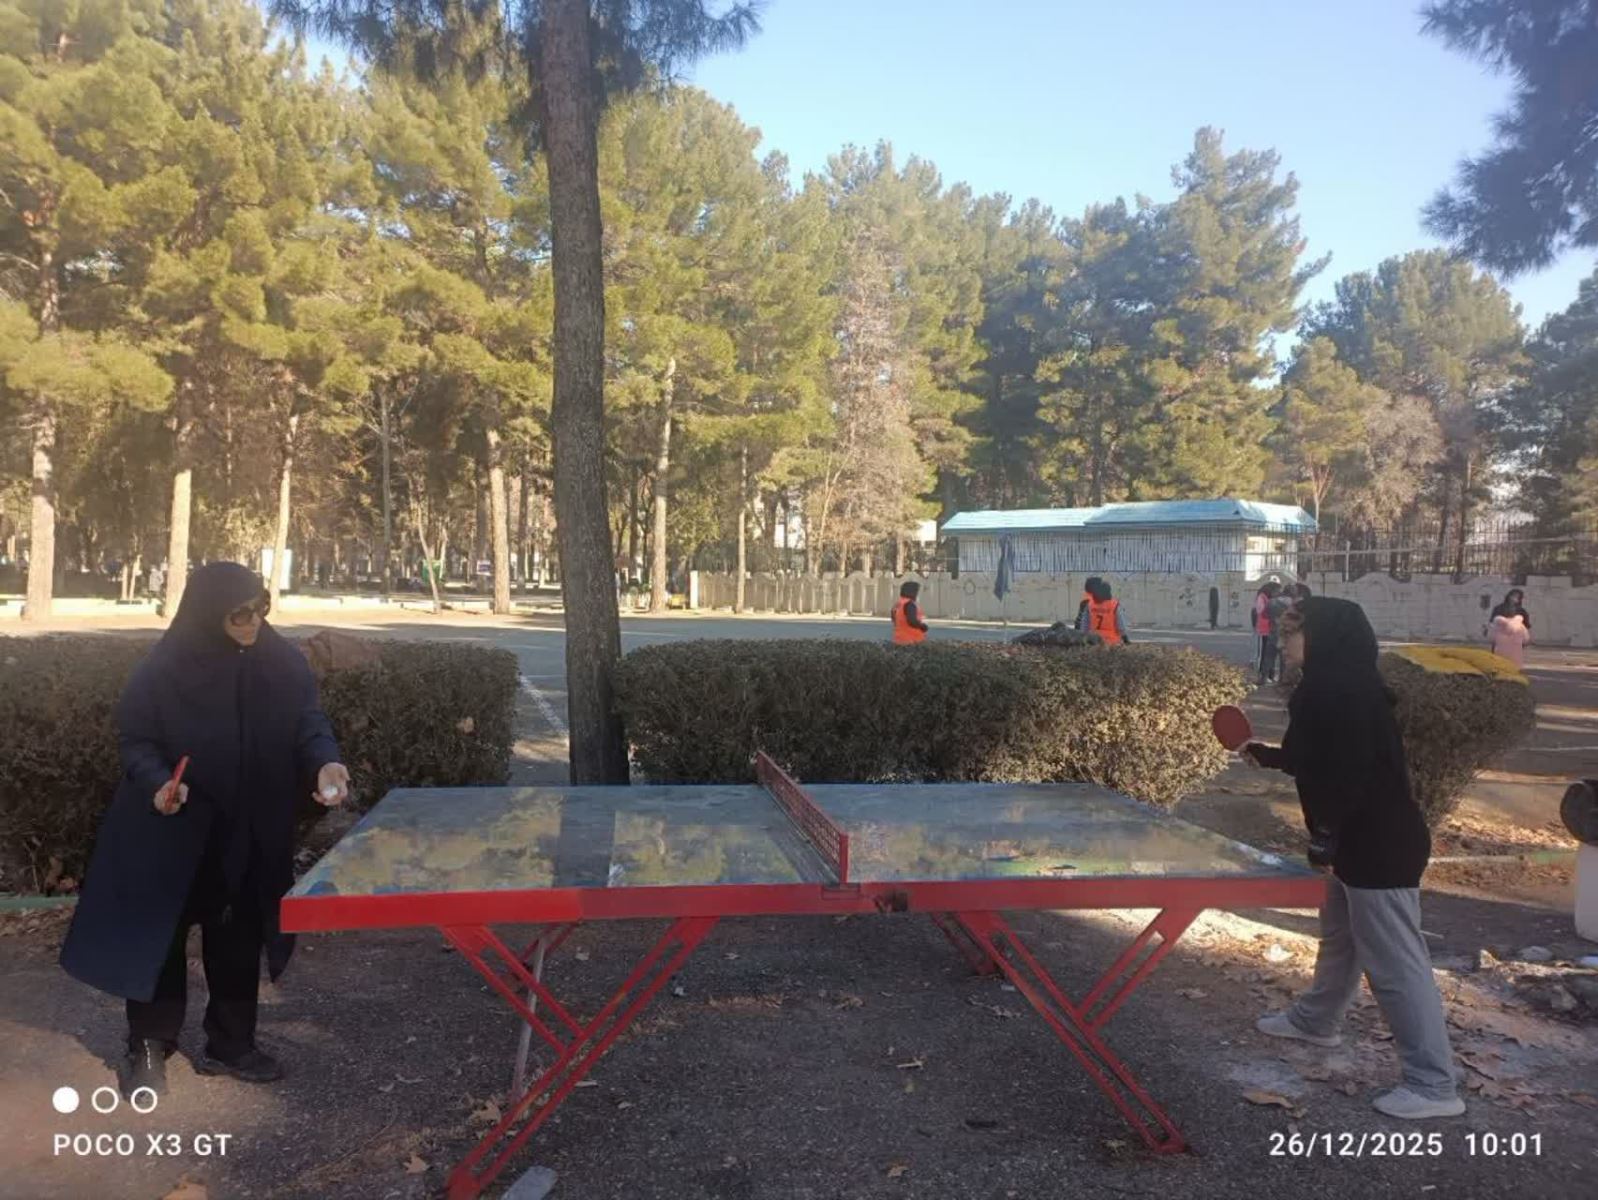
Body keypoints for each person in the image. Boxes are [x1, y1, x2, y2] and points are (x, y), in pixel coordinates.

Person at [60, 563, 350, 1099]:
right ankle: (149, 1047)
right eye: (238, 614)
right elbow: (137, 740)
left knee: (238, 933)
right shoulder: (163, 668)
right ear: (205, 614)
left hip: (245, 828)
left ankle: (231, 1045)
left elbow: (308, 722)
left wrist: (324, 762)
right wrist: (157, 783)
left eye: (260, 608)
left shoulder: (281, 661)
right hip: (172, 828)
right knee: (160, 939)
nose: (253, 622)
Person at [1242, 598, 1463, 1120]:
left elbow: (1350, 776)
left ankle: (1434, 1085)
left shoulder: (1340, 692)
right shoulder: (1328, 686)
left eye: (1293, 634)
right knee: (1341, 939)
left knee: (1396, 963)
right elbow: (1312, 757)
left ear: (1324, 638)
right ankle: (1316, 1021)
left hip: (1377, 845)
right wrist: (1264, 754)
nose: (1284, 643)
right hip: (1354, 838)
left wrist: (1326, 837)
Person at [1078, 578, 1131, 645]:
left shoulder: (1090, 605)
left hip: (1094, 642)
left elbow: (1084, 626)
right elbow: (1121, 626)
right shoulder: (1114, 605)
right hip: (1112, 642)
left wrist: (1083, 639)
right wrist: (1125, 639)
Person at [1253, 581, 1283, 684]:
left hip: (1271, 627)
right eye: (1277, 590)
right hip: (1265, 627)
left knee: (1270, 652)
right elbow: (1260, 611)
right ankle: (1264, 673)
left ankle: (1270, 674)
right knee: (1266, 652)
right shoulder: (1262, 597)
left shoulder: (1272, 599)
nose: (1279, 593)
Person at [891, 580, 929, 644]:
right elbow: (912, 621)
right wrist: (923, 626)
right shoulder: (910, 604)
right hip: (912, 639)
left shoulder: (898, 604)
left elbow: (894, 619)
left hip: (899, 638)